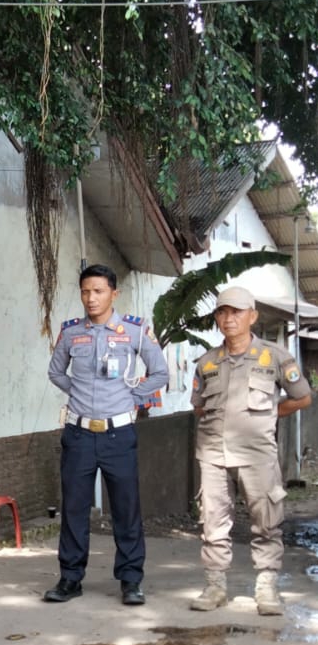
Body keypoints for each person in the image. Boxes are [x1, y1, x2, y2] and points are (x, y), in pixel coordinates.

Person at [45, 263, 169, 605]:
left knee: (126, 509)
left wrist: (132, 397)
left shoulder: (135, 331)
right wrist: (79, 392)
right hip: (79, 435)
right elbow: (56, 372)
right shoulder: (71, 333)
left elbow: (159, 372)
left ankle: (131, 580)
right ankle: (70, 578)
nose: (91, 298)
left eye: (98, 291)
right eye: (86, 291)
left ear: (114, 293)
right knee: (74, 509)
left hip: (119, 434)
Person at [189, 285, 311, 616]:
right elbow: (199, 407)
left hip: (257, 456)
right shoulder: (207, 362)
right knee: (213, 524)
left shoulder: (275, 357)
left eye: (236, 312)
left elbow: (302, 397)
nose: (228, 319)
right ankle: (215, 586)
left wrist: (270, 414)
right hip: (214, 456)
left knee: (266, 523)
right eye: (222, 312)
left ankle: (267, 588)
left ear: (252, 316)